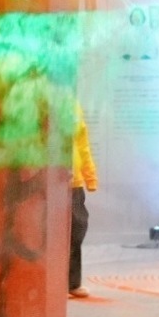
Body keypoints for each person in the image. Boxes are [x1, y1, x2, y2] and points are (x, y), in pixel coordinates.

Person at [68, 107, 97, 299]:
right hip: (48, 181)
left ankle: (72, 283)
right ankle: (51, 284)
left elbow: (82, 143)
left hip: (74, 182)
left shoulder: (74, 106)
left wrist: (90, 176)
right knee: (48, 233)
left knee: (77, 228)